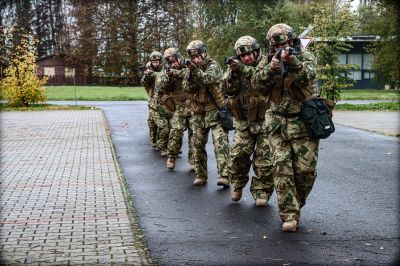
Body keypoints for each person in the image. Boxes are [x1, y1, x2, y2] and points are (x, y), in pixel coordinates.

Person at [252, 23, 319, 232]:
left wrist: (294, 63)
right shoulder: (267, 60)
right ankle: (289, 215)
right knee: (281, 168)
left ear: (293, 40)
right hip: (278, 123)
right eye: (279, 44)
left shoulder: (306, 56)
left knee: (305, 171)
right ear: (272, 46)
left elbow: (307, 77)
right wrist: (271, 69)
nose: (285, 46)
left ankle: (296, 204)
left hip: (304, 122)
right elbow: (256, 83)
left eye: (288, 42)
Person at [222, 36, 274, 207]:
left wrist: (242, 70)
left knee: (264, 160)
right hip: (243, 122)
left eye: (249, 54)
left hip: (264, 121)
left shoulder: (266, 63)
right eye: (243, 56)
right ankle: (237, 185)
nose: (247, 58)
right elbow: (226, 89)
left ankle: (262, 191)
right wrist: (232, 72)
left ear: (256, 51)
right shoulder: (236, 69)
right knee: (238, 156)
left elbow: (261, 80)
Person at [183, 40, 230, 187]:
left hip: (214, 110)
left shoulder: (213, 65)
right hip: (198, 111)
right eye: (193, 57)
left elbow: (209, 79)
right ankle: (201, 174)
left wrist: (195, 71)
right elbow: (186, 87)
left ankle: (225, 175)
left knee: (220, 143)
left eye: (197, 56)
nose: (195, 59)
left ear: (204, 53)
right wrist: (191, 74)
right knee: (197, 143)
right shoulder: (191, 69)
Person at [156, 47, 195, 171]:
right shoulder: (166, 71)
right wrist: (168, 77)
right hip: (179, 107)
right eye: (170, 62)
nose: (174, 64)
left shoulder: (189, 66)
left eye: (175, 61)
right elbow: (161, 87)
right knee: (175, 133)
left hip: (194, 106)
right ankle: (172, 157)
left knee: (195, 135)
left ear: (180, 58)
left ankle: (193, 161)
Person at [141, 51, 163, 149]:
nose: (155, 63)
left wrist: (152, 74)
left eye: (157, 61)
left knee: (163, 122)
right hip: (152, 98)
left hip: (164, 99)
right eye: (153, 62)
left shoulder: (164, 68)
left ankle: (161, 142)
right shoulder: (148, 69)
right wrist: (146, 76)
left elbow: (163, 76)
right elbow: (143, 83)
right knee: (151, 121)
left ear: (160, 61)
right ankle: (153, 140)